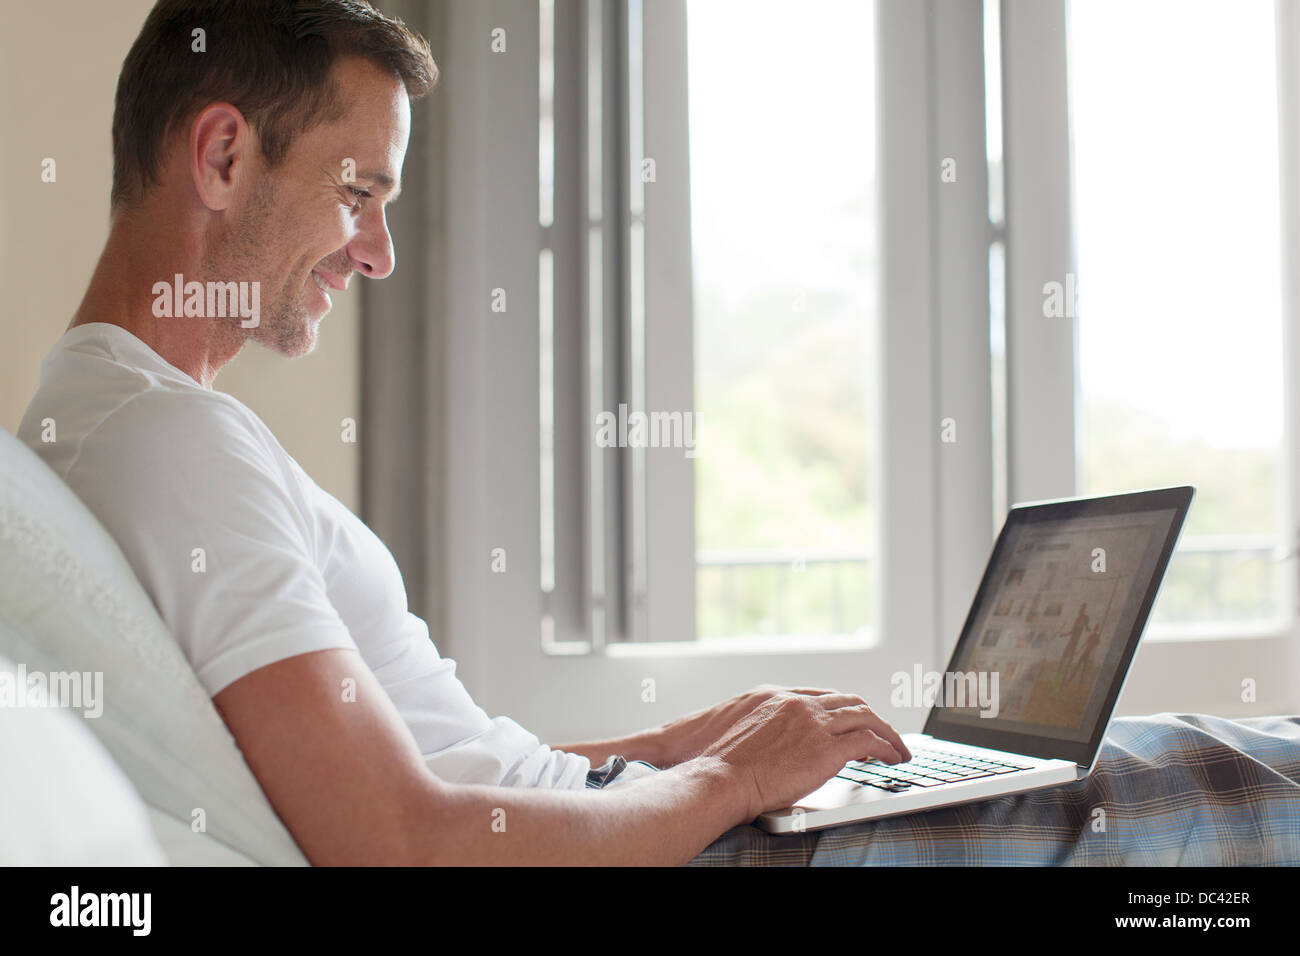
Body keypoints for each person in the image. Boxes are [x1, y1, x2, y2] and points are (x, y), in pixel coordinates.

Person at [17, 0, 910, 866]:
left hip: (608, 818)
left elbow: (439, 770)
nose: (379, 252)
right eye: (358, 192)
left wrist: (675, 748)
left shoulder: (114, 413)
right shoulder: (170, 442)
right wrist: (734, 778)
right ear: (222, 156)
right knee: (1050, 813)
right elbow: (401, 843)